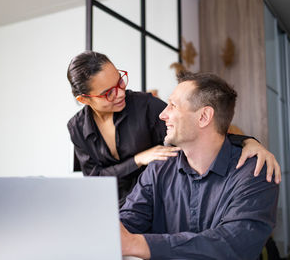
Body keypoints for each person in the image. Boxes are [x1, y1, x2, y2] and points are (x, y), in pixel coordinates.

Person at [67, 51, 281, 207]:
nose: (120, 93)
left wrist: (248, 142)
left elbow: (197, 132)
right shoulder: (77, 128)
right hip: (110, 210)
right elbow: (94, 180)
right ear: (84, 99)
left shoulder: (145, 106)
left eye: (120, 81)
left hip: (156, 206)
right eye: (108, 93)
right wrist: (138, 160)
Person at [119, 71, 279, 259]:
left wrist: (139, 244)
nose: (163, 114)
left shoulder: (255, 172)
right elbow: (127, 223)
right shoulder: (158, 169)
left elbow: (232, 244)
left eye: (173, 105)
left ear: (204, 116)